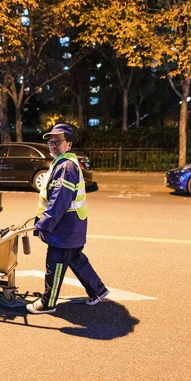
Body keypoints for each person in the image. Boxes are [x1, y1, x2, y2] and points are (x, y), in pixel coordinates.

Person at [27, 123, 109, 314]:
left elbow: (59, 202)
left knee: (55, 263)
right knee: (75, 259)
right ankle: (98, 290)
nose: (53, 144)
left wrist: (44, 225)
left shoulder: (65, 166)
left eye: (58, 141)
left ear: (69, 144)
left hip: (64, 229)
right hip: (72, 227)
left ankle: (48, 303)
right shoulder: (62, 162)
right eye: (50, 141)